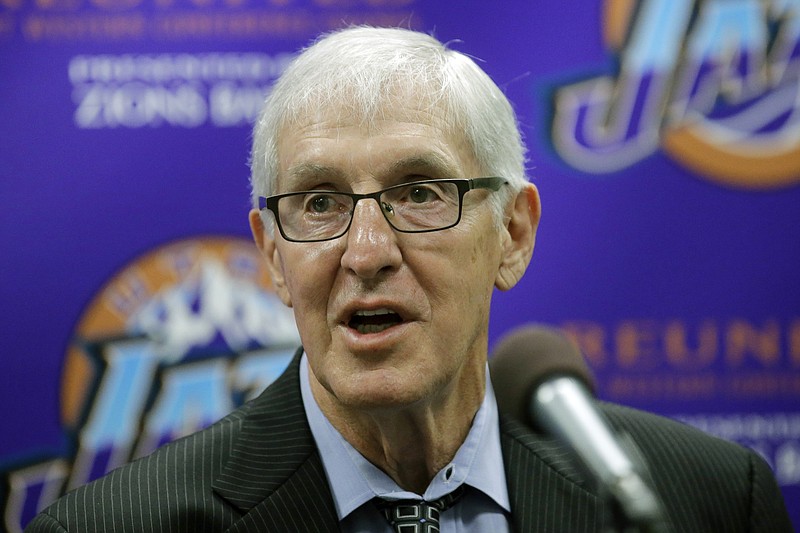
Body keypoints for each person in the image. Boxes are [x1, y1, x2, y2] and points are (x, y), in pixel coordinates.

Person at [26, 26, 792, 533]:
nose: (366, 251)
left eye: (420, 192)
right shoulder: (117, 525)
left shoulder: (704, 501)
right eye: (319, 202)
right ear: (273, 258)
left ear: (513, 234)